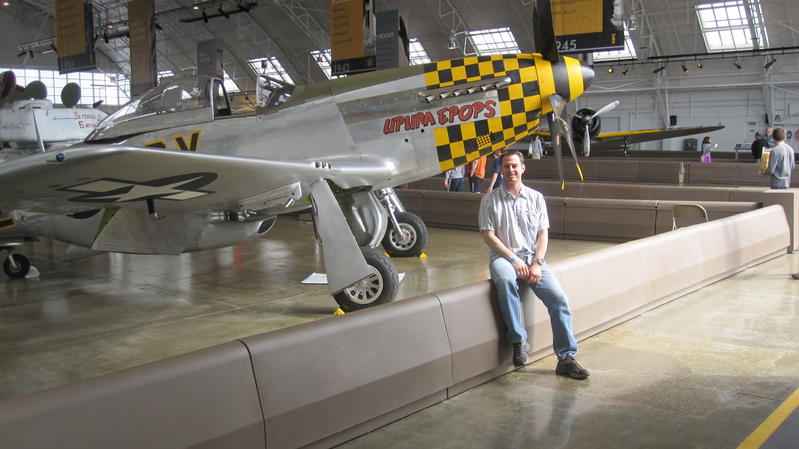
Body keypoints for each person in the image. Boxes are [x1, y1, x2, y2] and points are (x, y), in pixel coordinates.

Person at [478, 150, 589, 379]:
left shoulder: (536, 198)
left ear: (523, 168)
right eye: (506, 166)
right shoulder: (489, 200)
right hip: (503, 257)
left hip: (532, 257)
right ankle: (518, 340)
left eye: (515, 166)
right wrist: (513, 259)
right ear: (500, 169)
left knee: (559, 300)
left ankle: (566, 358)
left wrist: (537, 263)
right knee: (504, 280)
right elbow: (489, 236)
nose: (511, 170)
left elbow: (542, 234)